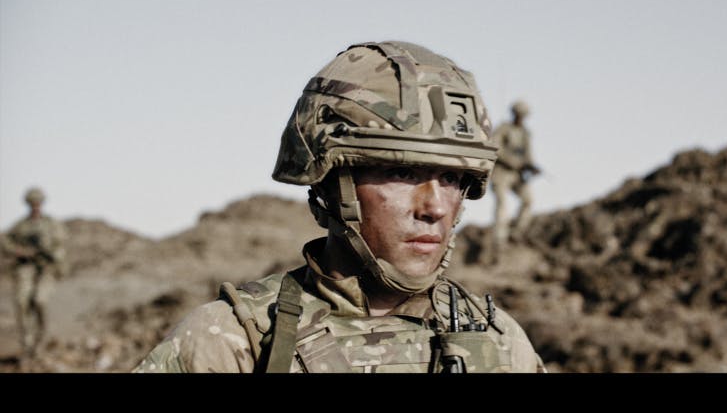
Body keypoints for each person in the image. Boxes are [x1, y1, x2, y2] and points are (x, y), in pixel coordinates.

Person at [133, 40, 546, 373]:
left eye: (453, 179)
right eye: (402, 174)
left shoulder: (498, 341)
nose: (435, 207)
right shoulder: (236, 341)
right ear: (332, 185)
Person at [1, 187, 67, 359]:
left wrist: (52, 255)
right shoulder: (21, 226)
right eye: (32, 203)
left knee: (40, 301)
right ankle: (27, 342)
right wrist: (20, 251)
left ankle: (40, 341)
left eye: (38, 203)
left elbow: (61, 247)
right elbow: (5, 242)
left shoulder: (51, 225)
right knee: (22, 301)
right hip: (26, 267)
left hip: (46, 268)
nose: (35, 206)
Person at [489, 100, 539, 263]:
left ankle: (516, 233)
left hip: (517, 176)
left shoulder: (525, 133)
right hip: (501, 173)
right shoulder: (504, 129)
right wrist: (514, 162)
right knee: (502, 207)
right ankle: (499, 241)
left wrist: (531, 167)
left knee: (528, 200)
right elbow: (495, 148)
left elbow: (528, 156)